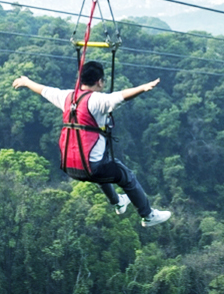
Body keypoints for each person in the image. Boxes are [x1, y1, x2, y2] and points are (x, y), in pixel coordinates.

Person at [12, 61, 171, 227]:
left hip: (70, 168)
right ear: (99, 82)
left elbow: (44, 90)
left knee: (106, 167)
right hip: (92, 168)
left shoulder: (67, 97)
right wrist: (143, 88)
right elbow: (122, 96)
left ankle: (118, 202)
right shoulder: (98, 101)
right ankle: (148, 215)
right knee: (127, 176)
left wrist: (26, 82)